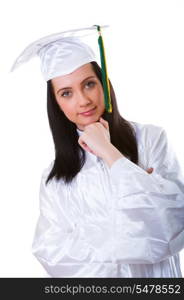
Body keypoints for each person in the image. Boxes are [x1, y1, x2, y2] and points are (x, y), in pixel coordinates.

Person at [11, 25, 184, 278]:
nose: (83, 100)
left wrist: (109, 152)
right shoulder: (54, 179)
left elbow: (172, 224)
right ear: (56, 104)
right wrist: (139, 200)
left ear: (104, 83)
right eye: (66, 93)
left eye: (89, 84)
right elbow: (53, 254)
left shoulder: (150, 139)